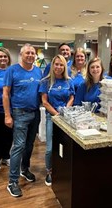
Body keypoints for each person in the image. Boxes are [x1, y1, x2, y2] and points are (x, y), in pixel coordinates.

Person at [3, 43, 42, 197]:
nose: (30, 55)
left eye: (33, 53)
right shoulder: (12, 70)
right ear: (21, 54)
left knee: (29, 145)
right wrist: (7, 115)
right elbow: (5, 93)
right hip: (19, 113)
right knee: (18, 146)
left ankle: (24, 169)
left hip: (35, 113)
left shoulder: (38, 71)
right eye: (28, 53)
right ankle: (12, 181)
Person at [39, 55, 75, 186]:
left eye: (61, 65)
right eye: (56, 64)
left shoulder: (69, 81)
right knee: (49, 148)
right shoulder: (45, 81)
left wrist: (65, 110)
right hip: (52, 118)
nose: (59, 67)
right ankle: (49, 171)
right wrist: (57, 115)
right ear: (52, 65)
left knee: (65, 146)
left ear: (65, 66)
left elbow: (71, 97)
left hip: (66, 118)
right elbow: (45, 102)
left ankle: (63, 169)